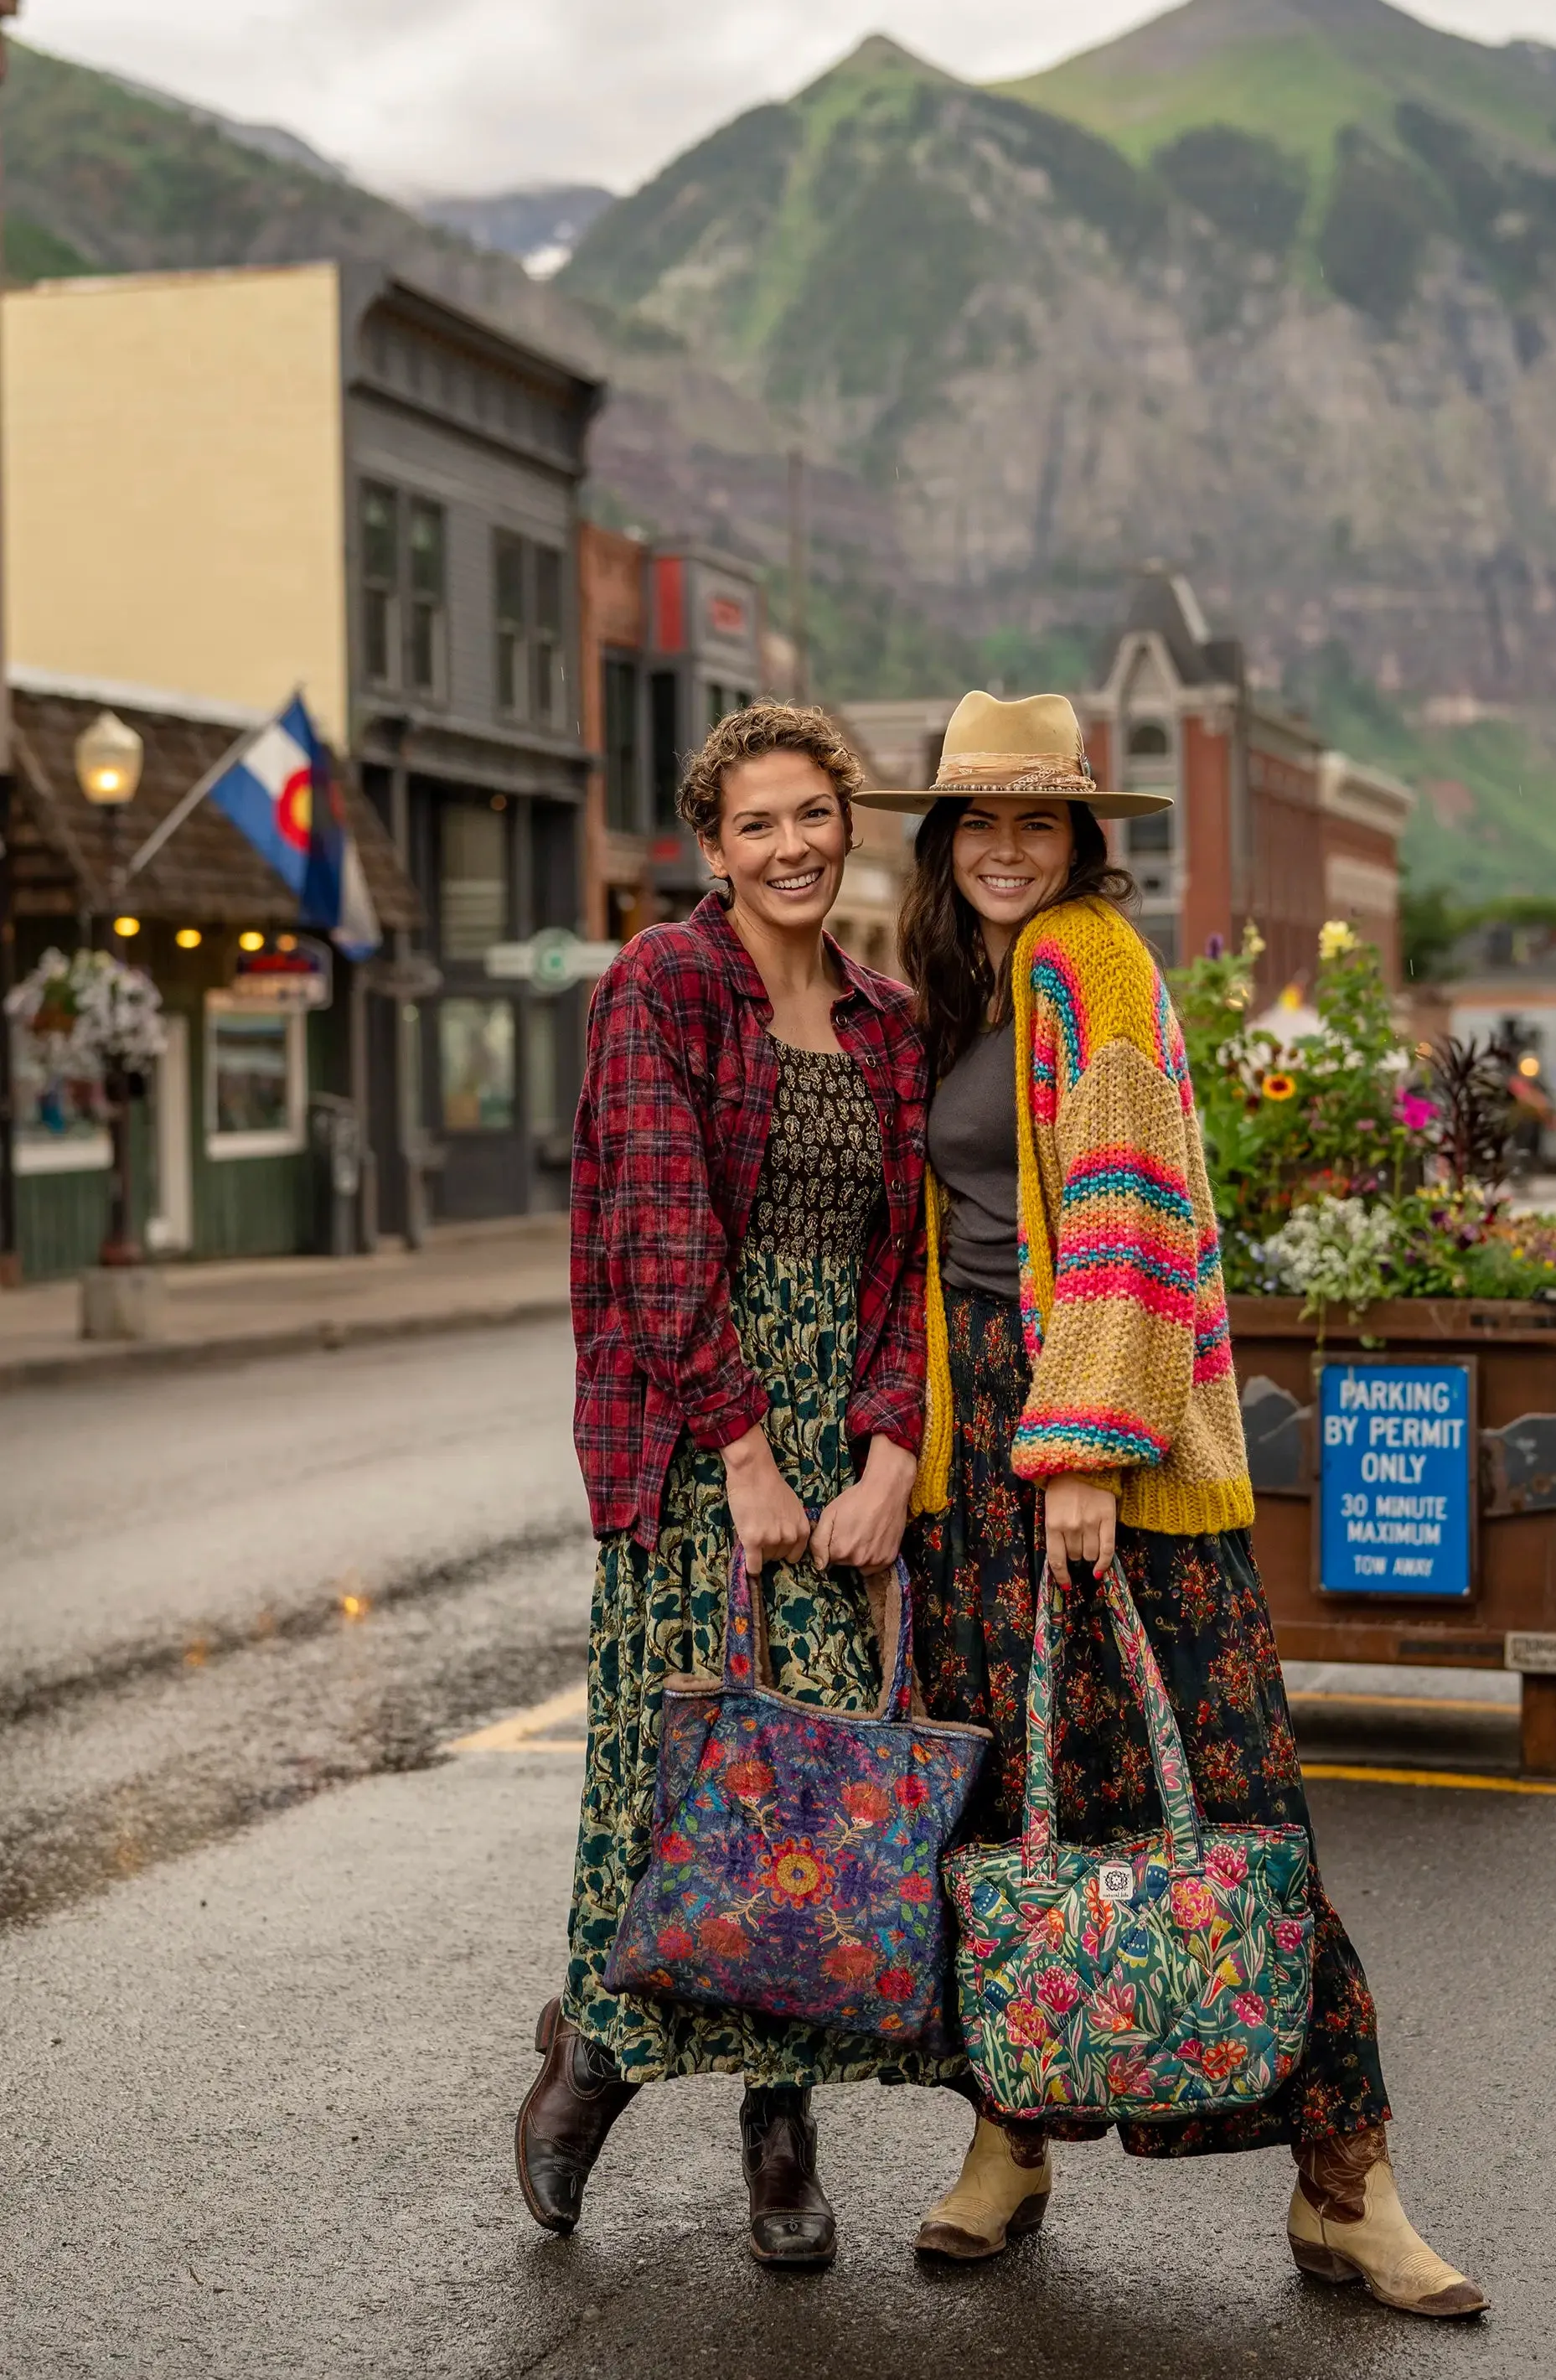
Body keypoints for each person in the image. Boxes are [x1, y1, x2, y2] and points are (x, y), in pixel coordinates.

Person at [858, 691, 1486, 2319]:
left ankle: (1348, 2179)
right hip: (969, 1459)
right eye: (978, 823)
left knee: (1230, 1795)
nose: (1007, 849)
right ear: (943, 843)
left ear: (1080, 838)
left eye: (1037, 821)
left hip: (1105, 1441)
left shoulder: (1091, 962)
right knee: (1005, 1805)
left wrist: (1083, 1448)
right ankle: (1010, 2141)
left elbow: (1134, 1218)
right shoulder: (955, 988)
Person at [514, 702, 931, 2271]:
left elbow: (907, 1273)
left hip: (845, 1456)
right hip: (699, 1441)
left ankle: (781, 2124)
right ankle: (590, 2070)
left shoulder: (890, 1022)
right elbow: (658, 1230)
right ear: (713, 848)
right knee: (670, 1773)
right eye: (756, 825)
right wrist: (745, 1450)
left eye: (812, 816)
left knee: (812, 1800)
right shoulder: (667, 983)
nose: (791, 847)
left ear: (848, 825)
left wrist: (889, 1448)